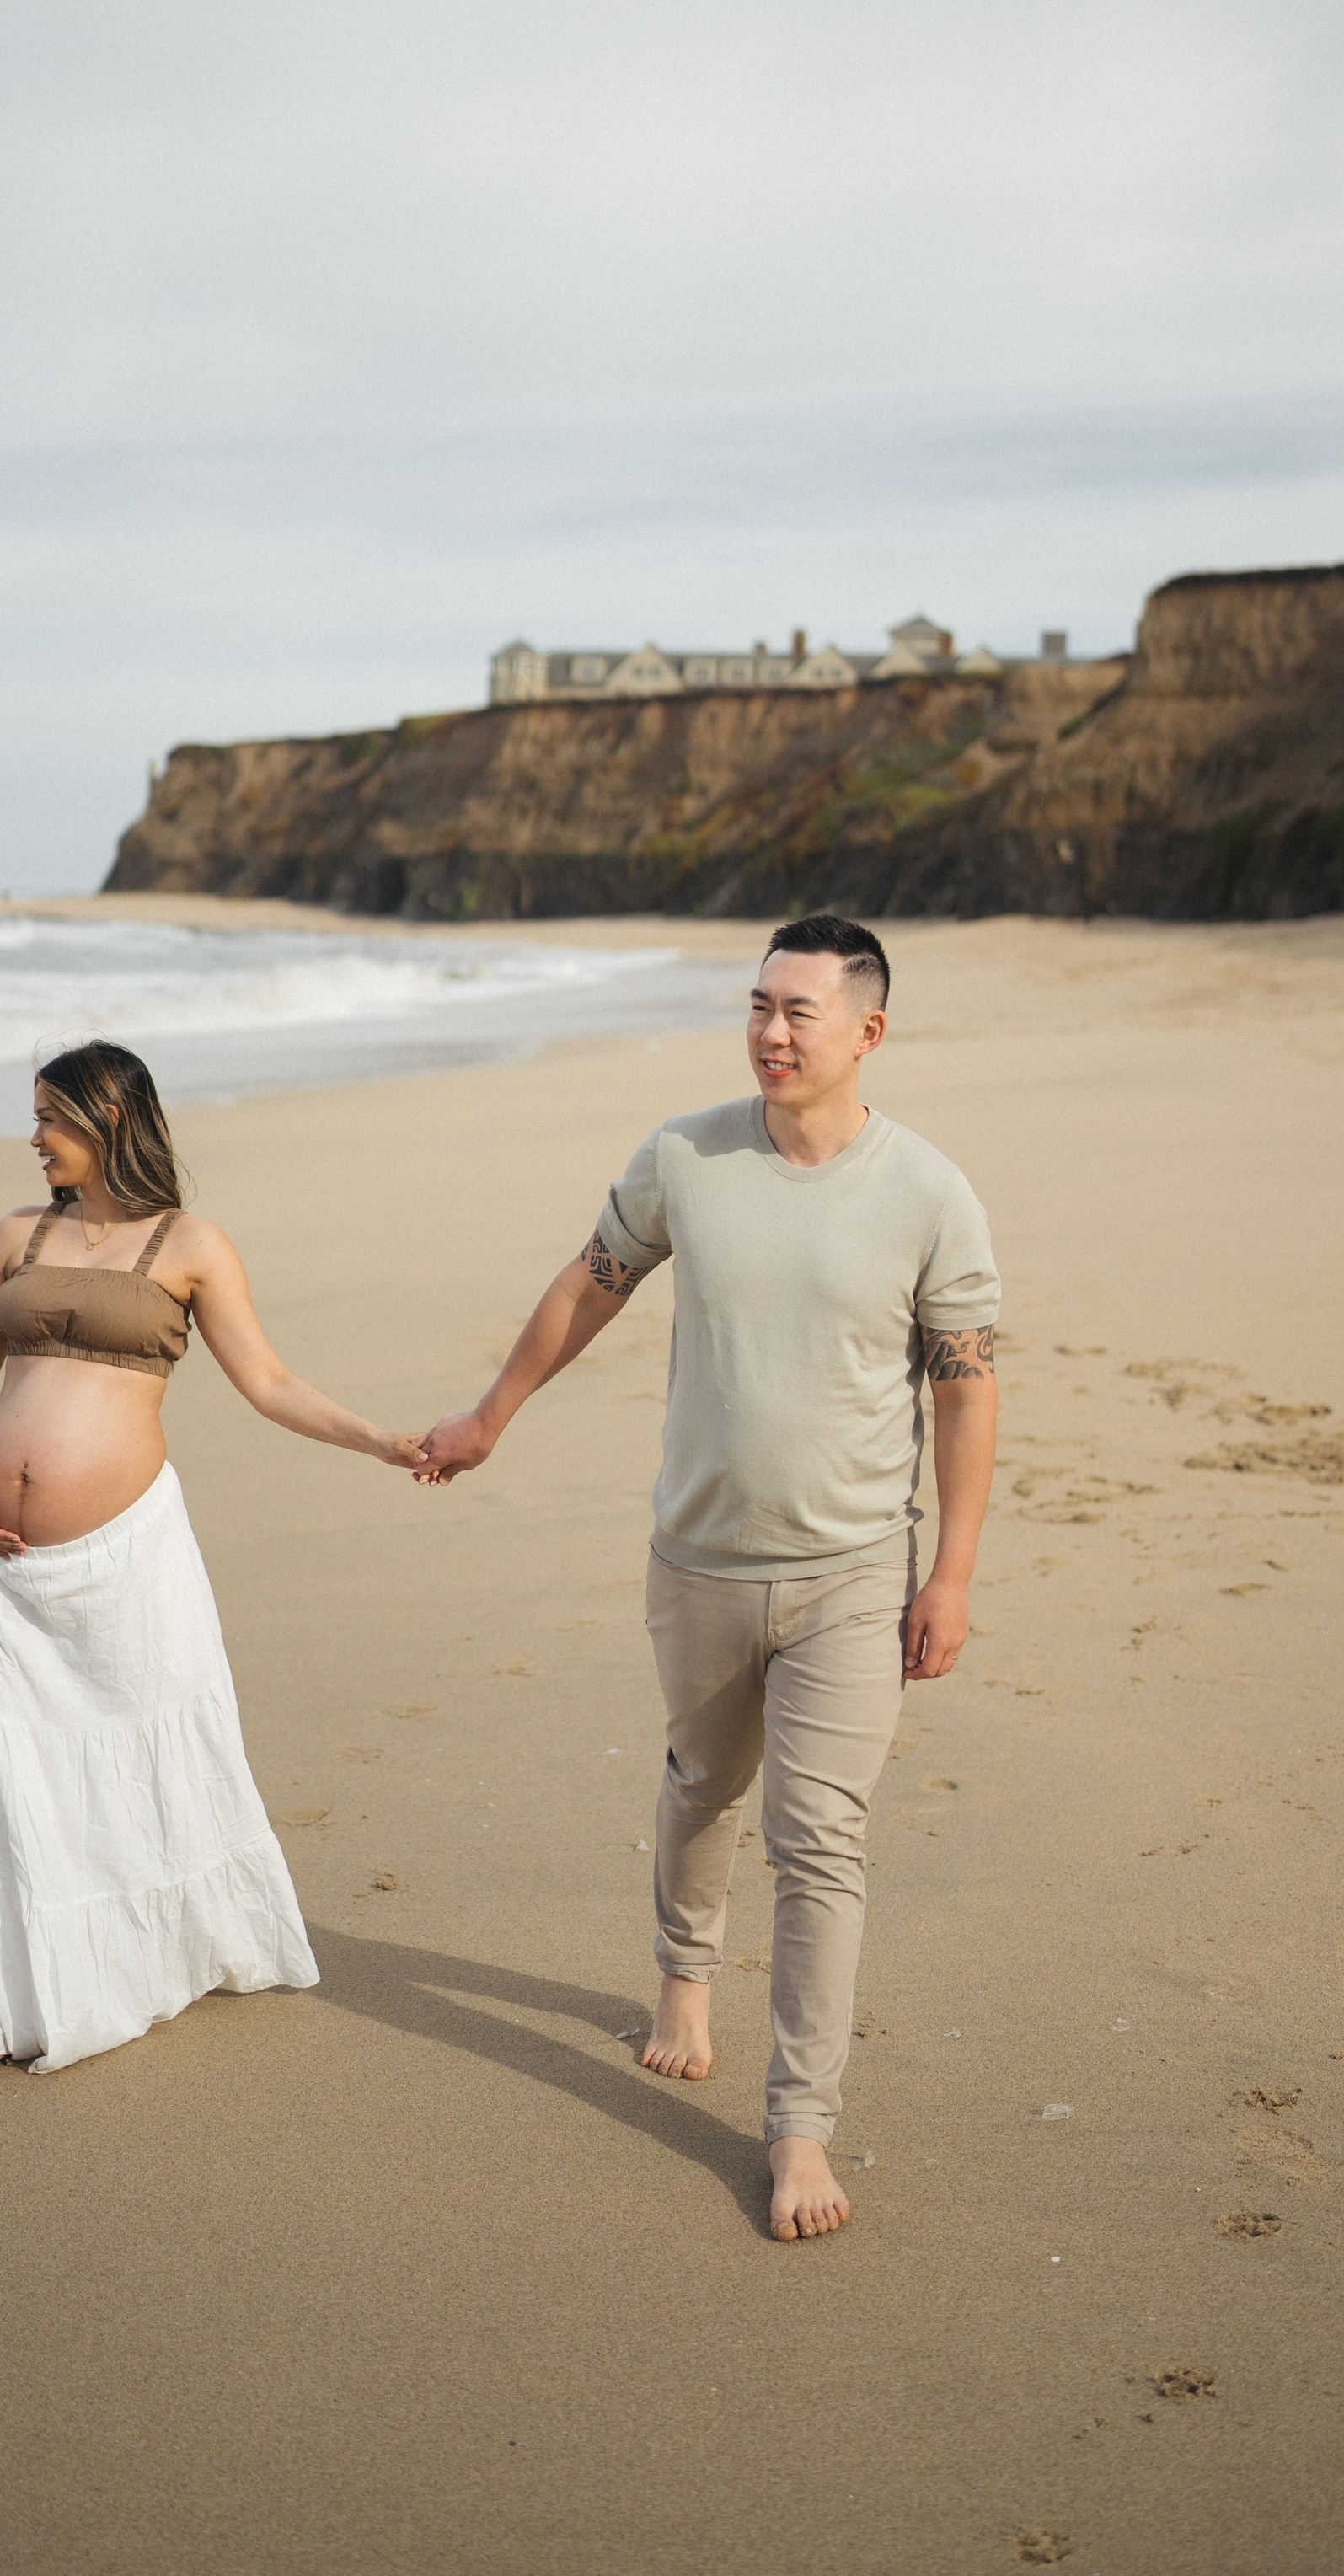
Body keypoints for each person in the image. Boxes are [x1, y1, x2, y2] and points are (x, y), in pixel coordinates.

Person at [412, 912, 998, 2240]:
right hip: (702, 1559)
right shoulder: (685, 1154)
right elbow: (591, 1283)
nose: (771, 1032)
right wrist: (492, 1415)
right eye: (758, 1006)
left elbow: (966, 1397)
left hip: (855, 1568)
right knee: (703, 1780)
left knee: (821, 1841)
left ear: (868, 1033)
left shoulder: (929, 1194)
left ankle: (800, 2127)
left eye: (799, 1011)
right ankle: (686, 1975)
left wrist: (949, 1574)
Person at [0, 1037, 421, 2091]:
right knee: (11, 1771)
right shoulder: (16, 1233)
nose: (34, 1138)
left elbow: (270, 1381)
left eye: (52, 1119)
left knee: (148, 1748)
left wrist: (379, 1440)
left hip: (126, 1556)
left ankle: (166, 1951)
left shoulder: (191, 1244)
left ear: (109, 1121)